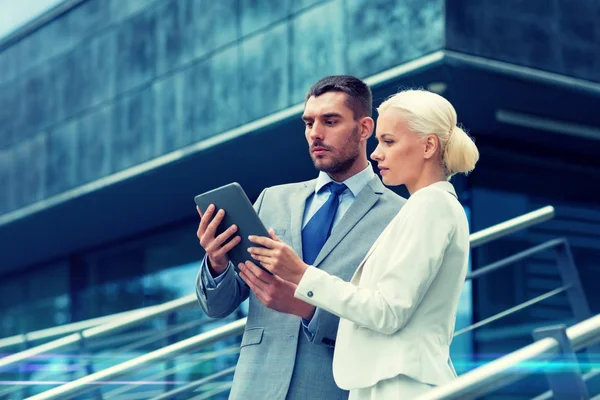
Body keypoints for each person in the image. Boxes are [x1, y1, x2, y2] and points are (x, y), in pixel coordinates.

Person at [244, 89, 479, 399]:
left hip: (400, 385)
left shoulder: (431, 205)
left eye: (389, 141)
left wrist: (302, 274)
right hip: (386, 381)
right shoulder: (426, 206)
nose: (375, 153)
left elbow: (386, 311)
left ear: (428, 145)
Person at [195, 75, 406, 399]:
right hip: (255, 387)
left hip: (332, 389)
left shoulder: (399, 216)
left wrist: (307, 309)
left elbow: (389, 323)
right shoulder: (271, 200)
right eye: (309, 123)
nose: (315, 134)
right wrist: (217, 262)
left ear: (365, 128)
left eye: (330, 121)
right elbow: (217, 307)